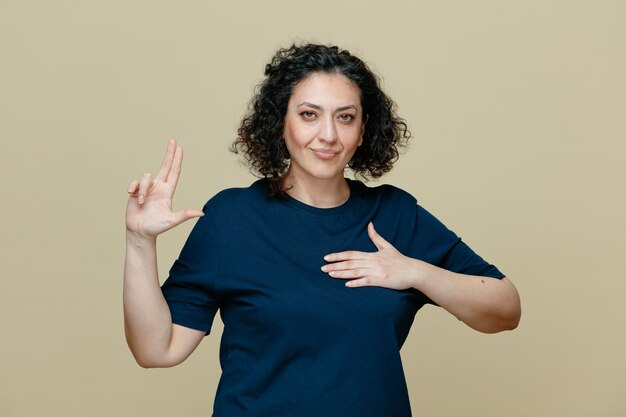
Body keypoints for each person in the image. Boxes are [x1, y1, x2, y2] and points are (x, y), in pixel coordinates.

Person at [124, 43, 521, 417]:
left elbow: (505, 309)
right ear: (281, 123)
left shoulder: (396, 215)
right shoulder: (231, 218)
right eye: (309, 114)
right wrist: (140, 240)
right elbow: (157, 350)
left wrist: (415, 272)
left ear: (363, 130)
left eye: (345, 117)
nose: (328, 135)